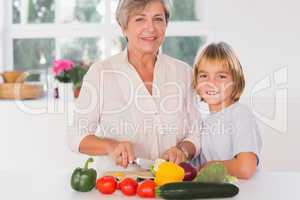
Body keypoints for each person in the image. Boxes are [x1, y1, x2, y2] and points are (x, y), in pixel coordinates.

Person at [66, 0, 201, 173]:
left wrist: (183, 150)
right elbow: (76, 135)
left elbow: (195, 132)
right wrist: (110, 146)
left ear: (166, 25)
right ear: (124, 27)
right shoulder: (101, 73)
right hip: (119, 186)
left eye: (158, 19)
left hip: (172, 184)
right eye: (140, 19)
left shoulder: (183, 72)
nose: (150, 28)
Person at [192, 42, 263, 179]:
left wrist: (209, 166)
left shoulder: (240, 114)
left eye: (221, 76)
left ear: (235, 81)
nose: (211, 83)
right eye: (204, 76)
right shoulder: (204, 121)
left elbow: (245, 168)